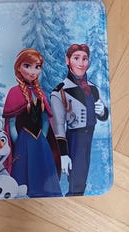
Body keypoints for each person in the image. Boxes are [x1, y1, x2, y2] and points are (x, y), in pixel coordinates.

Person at [2, 48, 64, 197]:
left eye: (37, 67)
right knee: (24, 174)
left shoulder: (39, 93)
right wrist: (18, 140)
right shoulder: (14, 92)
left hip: (40, 141)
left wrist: (43, 136)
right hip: (23, 141)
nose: (33, 71)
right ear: (18, 67)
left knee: (42, 171)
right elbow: (11, 122)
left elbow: (45, 118)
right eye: (27, 66)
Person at [50, 44, 109, 196]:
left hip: (90, 136)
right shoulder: (60, 91)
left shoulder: (93, 88)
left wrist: (102, 111)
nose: (81, 63)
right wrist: (64, 154)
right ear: (67, 60)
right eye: (76, 58)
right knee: (77, 182)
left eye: (85, 59)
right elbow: (58, 126)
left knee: (83, 178)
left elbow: (103, 115)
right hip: (75, 138)